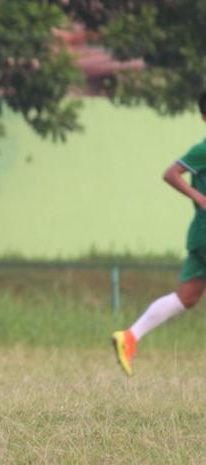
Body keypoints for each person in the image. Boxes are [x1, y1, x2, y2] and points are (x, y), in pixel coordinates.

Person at [112, 91, 206, 376]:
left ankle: (129, 337)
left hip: (200, 236)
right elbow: (170, 173)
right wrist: (199, 197)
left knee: (186, 298)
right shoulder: (202, 150)